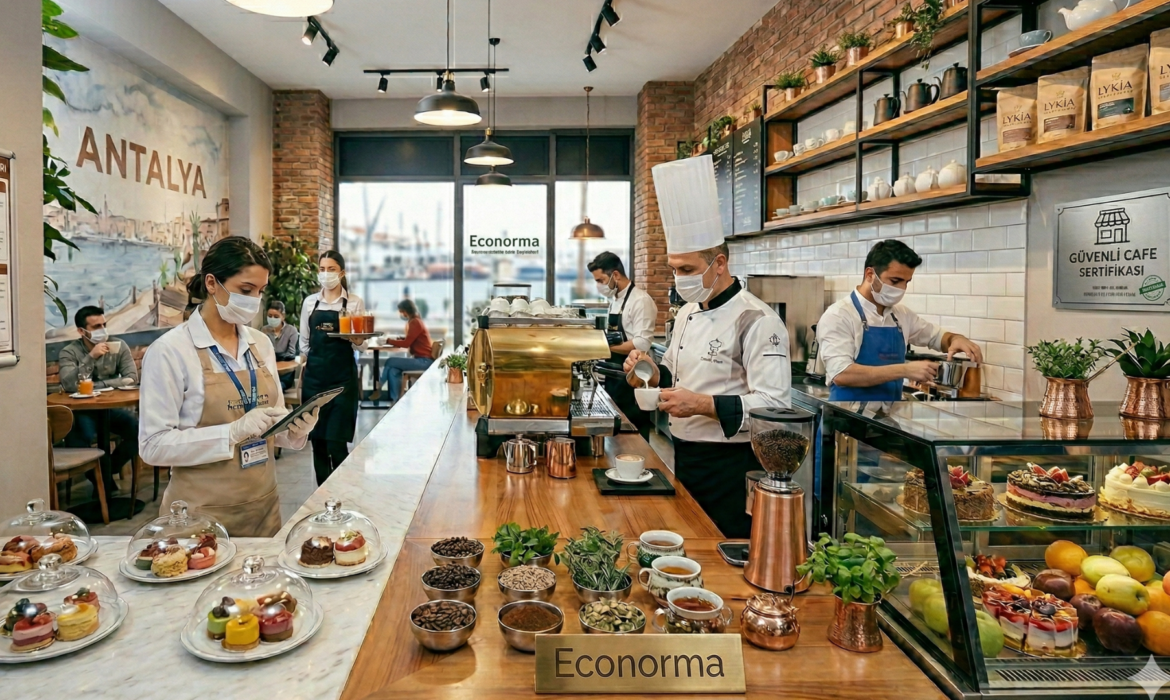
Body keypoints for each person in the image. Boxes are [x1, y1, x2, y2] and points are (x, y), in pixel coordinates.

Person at [623, 155, 791, 539]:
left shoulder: (758, 320)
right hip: (687, 455)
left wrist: (700, 404)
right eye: (673, 269)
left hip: (731, 463)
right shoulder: (687, 313)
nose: (678, 279)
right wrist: (645, 370)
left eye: (686, 270)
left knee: (724, 551)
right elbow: (674, 373)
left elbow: (776, 406)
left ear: (719, 263)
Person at [139, 237, 318, 537]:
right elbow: (153, 446)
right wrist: (232, 433)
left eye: (260, 291)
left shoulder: (260, 344)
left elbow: (269, 421)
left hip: (263, 511)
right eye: (245, 290)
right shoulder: (171, 350)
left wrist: (293, 430)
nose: (254, 300)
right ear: (212, 283)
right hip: (200, 520)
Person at [817, 240, 984, 402]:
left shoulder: (901, 315)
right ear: (870, 275)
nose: (901, 288)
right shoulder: (839, 315)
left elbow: (937, 337)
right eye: (895, 281)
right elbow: (842, 374)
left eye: (906, 282)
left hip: (886, 421)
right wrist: (905, 370)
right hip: (847, 421)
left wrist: (956, 339)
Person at [299, 251, 367, 486]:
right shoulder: (310, 302)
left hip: (343, 381)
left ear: (342, 273)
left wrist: (354, 338)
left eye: (331, 269)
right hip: (315, 380)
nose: (325, 274)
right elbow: (304, 344)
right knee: (317, 442)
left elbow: (363, 344)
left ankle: (341, 496)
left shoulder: (354, 302)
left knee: (337, 443)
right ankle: (322, 502)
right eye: (322, 269)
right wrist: (318, 363)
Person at [59, 305, 140, 496]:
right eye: (96, 327)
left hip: (109, 409)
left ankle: (107, 470)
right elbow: (70, 384)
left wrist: (96, 384)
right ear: (81, 331)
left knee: (139, 430)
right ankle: (102, 486)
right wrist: (91, 357)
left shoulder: (118, 345)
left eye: (104, 324)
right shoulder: (69, 352)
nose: (102, 330)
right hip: (83, 410)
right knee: (79, 437)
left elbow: (131, 378)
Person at [588, 252, 658, 439]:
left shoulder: (640, 301)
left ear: (616, 275)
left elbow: (641, 343)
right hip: (615, 375)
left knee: (634, 434)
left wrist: (603, 346)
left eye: (601, 280)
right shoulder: (616, 300)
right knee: (617, 432)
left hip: (633, 377)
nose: (599, 286)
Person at [379, 299, 434, 402]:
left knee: (390, 361)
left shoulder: (415, 322)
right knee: (392, 370)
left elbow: (406, 344)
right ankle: (396, 401)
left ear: (406, 310)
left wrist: (388, 340)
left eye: (401, 311)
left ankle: (379, 386)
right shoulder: (416, 321)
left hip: (424, 362)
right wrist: (399, 339)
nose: (401, 314)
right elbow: (411, 339)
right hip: (421, 360)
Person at [264, 300, 300, 391]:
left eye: (276, 316)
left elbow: (291, 354)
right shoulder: (264, 330)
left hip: (286, 371)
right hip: (269, 369)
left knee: (277, 387)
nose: (272, 318)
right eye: (269, 316)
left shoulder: (291, 331)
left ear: (283, 317)